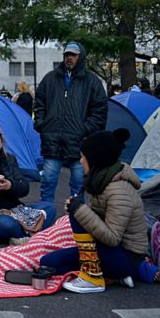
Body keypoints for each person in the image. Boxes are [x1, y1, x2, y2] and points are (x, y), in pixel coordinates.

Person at [40, 128, 158, 293]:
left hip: (126, 257)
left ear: (95, 159)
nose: (80, 161)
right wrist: (80, 209)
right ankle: (111, 275)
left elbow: (112, 238)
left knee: (77, 214)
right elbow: (98, 220)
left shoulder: (119, 190)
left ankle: (94, 278)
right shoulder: (101, 181)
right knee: (49, 262)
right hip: (106, 251)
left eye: (83, 157)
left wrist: (80, 210)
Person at [34, 42, 108, 202]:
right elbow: (39, 103)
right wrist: (42, 124)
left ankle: (76, 221)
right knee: (47, 181)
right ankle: (45, 218)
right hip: (52, 140)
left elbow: (99, 110)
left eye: (73, 55)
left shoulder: (92, 82)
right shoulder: (50, 78)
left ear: (80, 57)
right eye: (67, 54)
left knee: (78, 184)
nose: (69, 58)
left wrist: (85, 129)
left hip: (79, 143)